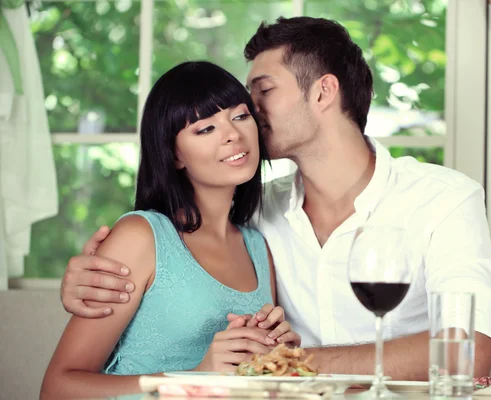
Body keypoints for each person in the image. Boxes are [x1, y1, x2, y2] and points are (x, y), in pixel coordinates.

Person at [58, 17, 491, 381]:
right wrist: (86, 276)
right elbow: (166, 242)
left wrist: (286, 364)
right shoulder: (259, 213)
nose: (248, 112)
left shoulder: (443, 200)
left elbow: (467, 352)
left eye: (261, 92)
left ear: (323, 92)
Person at [40, 61, 301, 399]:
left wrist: (279, 358)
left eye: (240, 116)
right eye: (205, 129)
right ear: (175, 154)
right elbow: (57, 388)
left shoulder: (257, 247)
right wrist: (196, 378)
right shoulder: (141, 237)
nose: (233, 135)